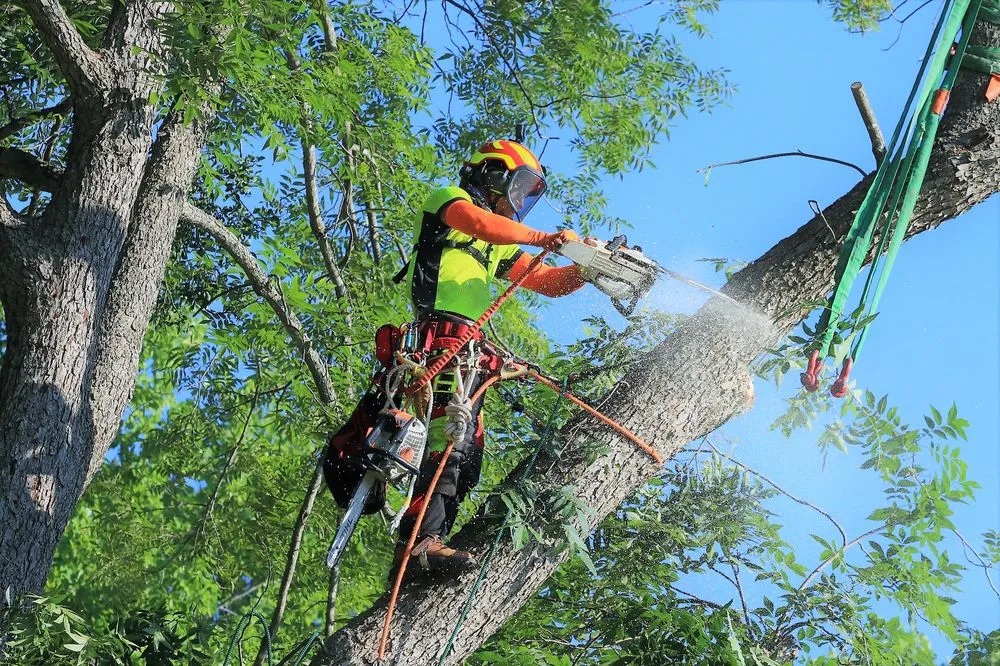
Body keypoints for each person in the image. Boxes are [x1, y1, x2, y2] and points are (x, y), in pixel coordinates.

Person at [391, 139, 591, 575]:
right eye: (518, 188)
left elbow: (547, 283)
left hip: (469, 347)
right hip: (440, 338)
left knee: (468, 452)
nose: (518, 203)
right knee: (447, 438)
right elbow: (479, 223)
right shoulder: (449, 201)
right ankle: (418, 544)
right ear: (494, 174)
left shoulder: (497, 243)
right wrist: (546, 238)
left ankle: (431, 542)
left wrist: (586, 268)